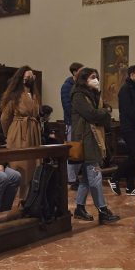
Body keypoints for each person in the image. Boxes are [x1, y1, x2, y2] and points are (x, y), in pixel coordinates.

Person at [70, 67, 120, 224]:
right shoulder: (78, 95)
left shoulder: (93, 96)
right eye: (93, 77)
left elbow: (102, 115)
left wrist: (104, 112)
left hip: (93, 138)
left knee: (86, 178)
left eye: (97, 77)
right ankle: (103, 210)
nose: (96, 79)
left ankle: (79, 208)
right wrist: (105, 112)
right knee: (95, 176)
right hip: (86, 139)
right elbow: (91, 114)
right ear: (84, 80)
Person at [0, 66, 42, 200]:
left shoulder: (35, 95)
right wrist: (11, 134)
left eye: (31, 77)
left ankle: (30, 197)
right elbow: (4, 118)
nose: (29, 79)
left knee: (34, 165)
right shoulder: (15, 96)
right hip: (19, 133)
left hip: (33, 132)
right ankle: (18, 198)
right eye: (26, 77)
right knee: (21, 165)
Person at [109, 64, 135, 196]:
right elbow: (128, 110)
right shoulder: (125, 90)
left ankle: (130, 187)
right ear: (131, 75)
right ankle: (115, 177)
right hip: (129, 127)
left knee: (134, 156)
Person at [61, 62, 83, 190]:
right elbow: (67, 106)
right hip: (72, 123)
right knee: (73, 151)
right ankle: (71, 179)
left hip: (80, 123)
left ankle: (75, 177)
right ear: (75, 72)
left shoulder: (79, 85)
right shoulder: (67, 86)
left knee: (80, 152)